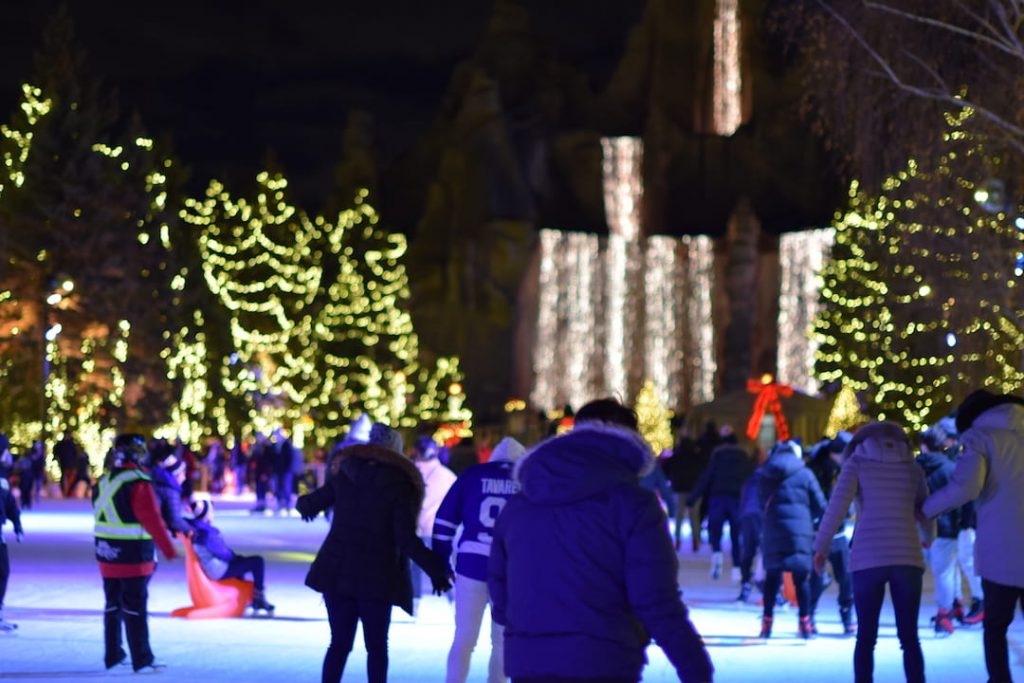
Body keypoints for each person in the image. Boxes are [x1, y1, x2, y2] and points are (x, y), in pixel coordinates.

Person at [489, 398, 714, 682]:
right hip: (603, 660)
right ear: (629, 443)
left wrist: (528, 632)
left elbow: (499, 588)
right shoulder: (634, 505)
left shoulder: (519, 506)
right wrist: (695, 668)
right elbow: (655, 600)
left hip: (529, 663)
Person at [296, 422, 452, 683]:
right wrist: (435, 570)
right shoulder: (400, 482)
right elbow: (405, 539)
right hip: (376, 577)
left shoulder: (345, 472)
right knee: (377, 649)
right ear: (396, 451)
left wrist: (307, 507)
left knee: (338, 645)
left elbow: (308, 504)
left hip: (337, 572)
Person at [814, 421, 934, 683]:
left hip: (868, 557)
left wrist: (820, 547)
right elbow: (925, 510)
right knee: (909, 637)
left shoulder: (856, 464)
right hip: (908, 556)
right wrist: (928, 538)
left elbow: (836, 509)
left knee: (866, 638)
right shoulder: (912, 467)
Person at [922, 390, 1024, 683]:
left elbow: (965, 487)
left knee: (996, 626)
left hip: (1002, 549)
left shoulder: (981, 437)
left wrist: (925, 509)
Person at [432, 436, 525, 683]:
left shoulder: (473, 475)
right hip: (511, 569)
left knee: (464, 638)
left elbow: (444, 520)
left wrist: (440, 559)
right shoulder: (528, 480)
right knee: (503, 641)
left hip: (472, 563)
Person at [94, 434, 177, 673]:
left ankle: (113, 654)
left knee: (112, 603)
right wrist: (168, 548)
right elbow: (151, 518)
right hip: (133, 555)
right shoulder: (139, 481)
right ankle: (142, 658)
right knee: (135, 607)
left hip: (106, 553)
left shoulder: (104, 480)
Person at [757, 440, 826, 639]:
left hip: (773, 529)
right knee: (801, 579)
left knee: (772, 578)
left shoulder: (765, 473)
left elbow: (761, 501)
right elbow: (819, 504)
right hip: (800, 531)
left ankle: (767, 623)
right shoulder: (805, 473)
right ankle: (804, 623)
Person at [687, 425, 755, 580]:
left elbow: (706, 478)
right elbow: (753, 478)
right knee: (735, 535)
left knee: (715, 530)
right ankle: (737, 568)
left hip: (718, 499)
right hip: (737, 500)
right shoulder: (744, 459)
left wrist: (692, 498)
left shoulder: (717, 458)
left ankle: (717, 554)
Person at [184, 499, 274, 615]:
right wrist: (237, 558)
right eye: (212, 511)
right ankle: (259, 599)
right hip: (217, 569)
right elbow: (224, 554)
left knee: (240, 565)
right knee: (257, 562)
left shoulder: (195, 527)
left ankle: (244, 598)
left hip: (212, 566)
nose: (213, 514)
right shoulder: (207, 533)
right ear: (207, 514)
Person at [807, 434, 855, 636]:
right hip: (834, 532)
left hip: (818, 532)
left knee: (818, 577)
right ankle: (846, 617)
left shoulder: (814, 468)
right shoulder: (836, 471)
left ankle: (808, 615)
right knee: (845, 576)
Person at [411, 434, 456, 611]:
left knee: (415, 566)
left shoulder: (410, 472)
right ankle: (454, 601)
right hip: (440, 528)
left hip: (415, 528)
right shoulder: (447, 475)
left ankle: (414, 603)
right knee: (444, 564)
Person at [662, 425, 708, 552]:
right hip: (694, 490)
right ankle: (695, 540)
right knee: (695, 516)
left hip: (679, 488)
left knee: (679, 516)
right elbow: (703, 471)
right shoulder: (697, 457)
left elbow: (666, 468)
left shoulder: (676, 455)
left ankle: (677, 540)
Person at [0, 434, 24, 632]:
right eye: (5, 450)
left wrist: (17, 523)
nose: (8, 454)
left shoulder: (3, 476)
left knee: (2, 572)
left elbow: (9, 502)